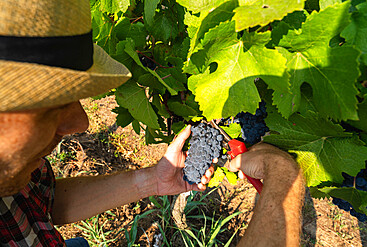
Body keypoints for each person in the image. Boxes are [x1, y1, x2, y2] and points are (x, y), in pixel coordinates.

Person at [0, 0, 304, 246]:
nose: (81, 122)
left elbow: (41, 203)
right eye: (49, 106)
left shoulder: (10, 176)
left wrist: (150, 182)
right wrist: (284, 182)